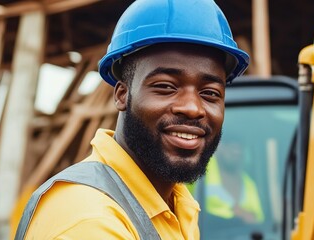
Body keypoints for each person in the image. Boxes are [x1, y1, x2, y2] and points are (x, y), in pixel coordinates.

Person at [15, 0, 249, 239]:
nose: (192, 108)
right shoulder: (89, 220)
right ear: (122, 94)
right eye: (166, 86)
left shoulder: (175, 204)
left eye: (210, 93)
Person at [205, 138, 264, 225]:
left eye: (240, 148)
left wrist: (245, 214)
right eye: (232, 147)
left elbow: (258, 218)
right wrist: (233, 210)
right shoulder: (203, 171)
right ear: (220, 147)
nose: (237, 152)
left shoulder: (249, 184)